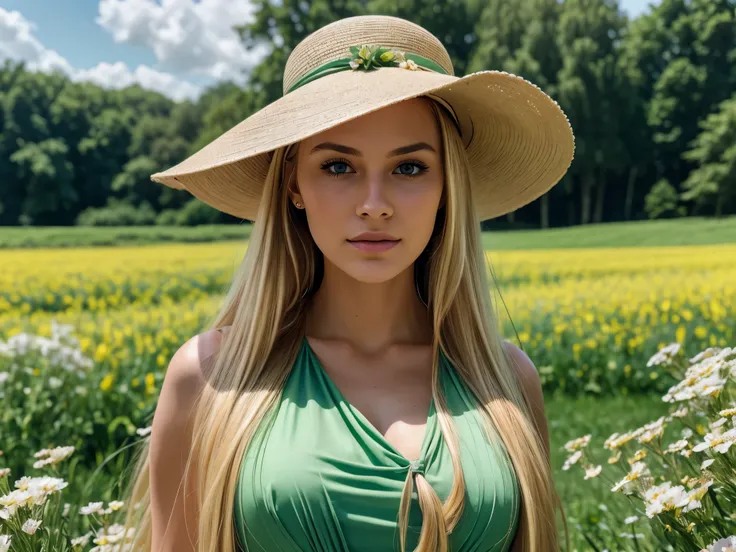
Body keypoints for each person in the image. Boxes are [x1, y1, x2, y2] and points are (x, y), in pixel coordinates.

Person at [123, 14, 575, 552]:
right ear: (294, 184)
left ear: (447, 188)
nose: (374, 205)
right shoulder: (211, 378)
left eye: (409, 169)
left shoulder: (507, 380)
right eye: (338, 167)